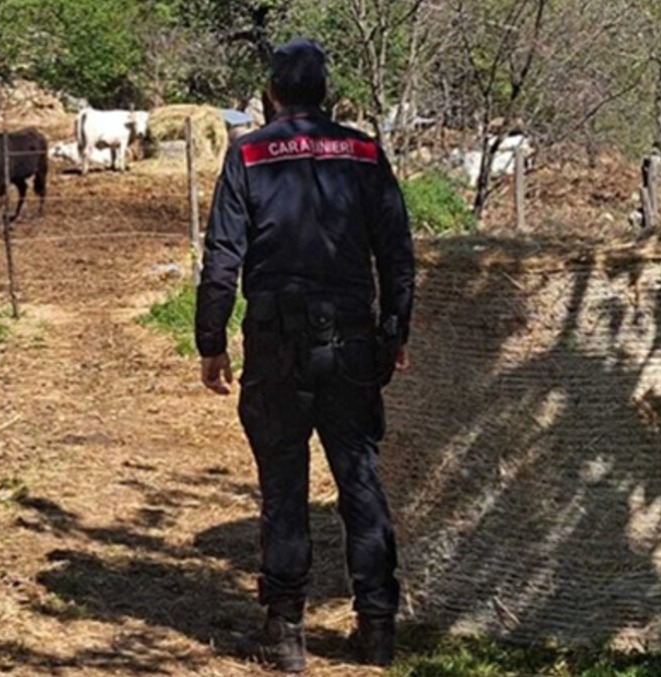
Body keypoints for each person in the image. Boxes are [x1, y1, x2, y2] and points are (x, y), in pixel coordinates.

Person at [194, 38, 415, 673]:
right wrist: (394, 332)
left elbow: (222, 262)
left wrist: (211, 341)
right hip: (351, 340)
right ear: (328, 96)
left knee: (283, 484)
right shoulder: (365, 153)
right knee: (360, 478)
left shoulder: (248, 153)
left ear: (271, 94)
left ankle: (285, 630)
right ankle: (377, 626)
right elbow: (397, 254)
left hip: (275, 343)